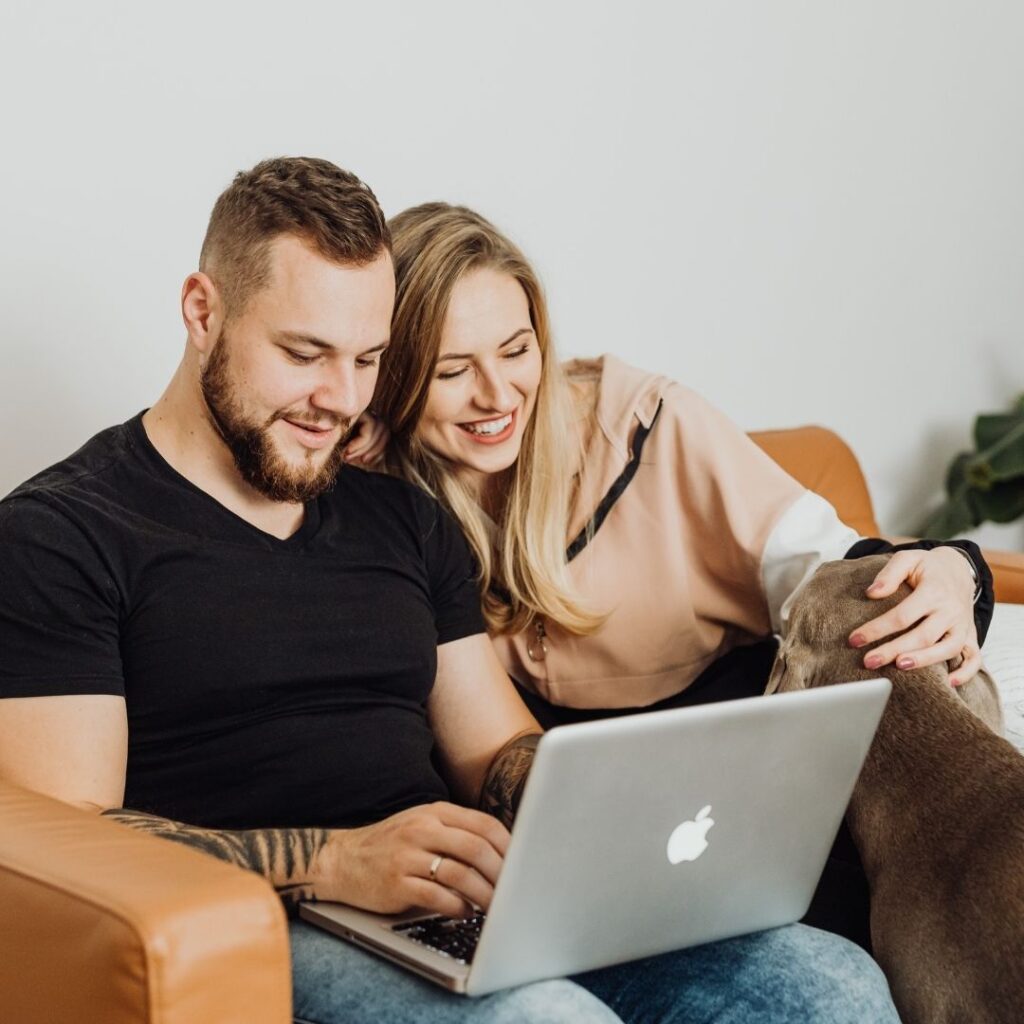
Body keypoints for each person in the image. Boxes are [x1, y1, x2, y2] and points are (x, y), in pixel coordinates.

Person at [0, 159, 900, 1023]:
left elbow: (493, 748)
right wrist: (334, 863)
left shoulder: (402, 518)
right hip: (270, 921)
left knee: (822, 981)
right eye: (304, 353)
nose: (338, 399)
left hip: (452, 904)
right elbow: (67, 845)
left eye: (366, 361)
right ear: (203, 310)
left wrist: (620, 812)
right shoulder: (64, 535)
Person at [364, 201, 995, 950]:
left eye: (515, 350)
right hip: (599, 843)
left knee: (879, 615)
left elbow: (831, 568)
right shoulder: (378, 503)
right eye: (452, 370)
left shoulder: (644, 427)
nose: (499, 395)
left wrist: (958, 570)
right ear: (393, 376)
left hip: (758, 783)